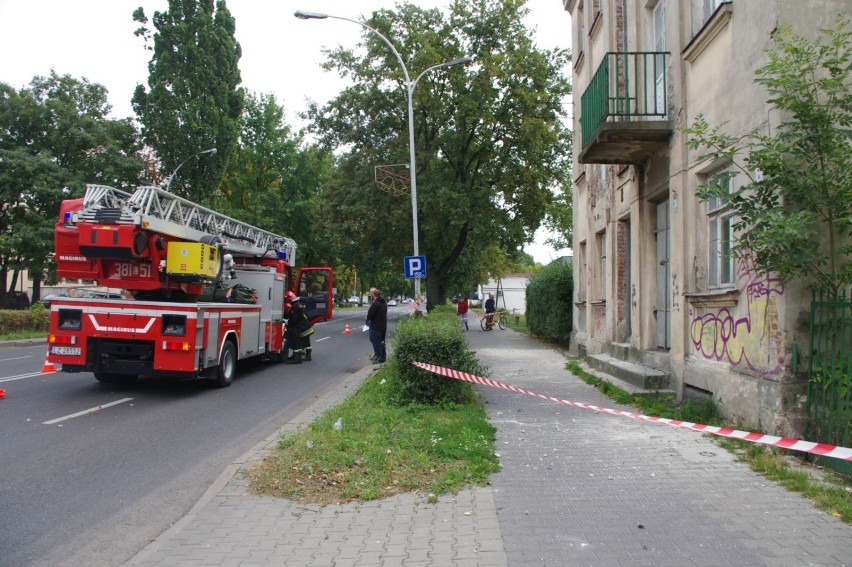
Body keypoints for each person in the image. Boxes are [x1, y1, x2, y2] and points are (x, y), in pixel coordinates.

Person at [284, 291, 311, 364]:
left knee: (295, 343)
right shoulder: (299, 304)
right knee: (304, 343)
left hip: (298, 328)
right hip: (305, 326)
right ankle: (299, 358)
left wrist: (289, 325)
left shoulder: (295, 306)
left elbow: (295, 318)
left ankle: (296, 358)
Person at [365, 287, 387, 363]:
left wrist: (368, 318)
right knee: (381, 342)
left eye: (371, 293)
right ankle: (382, 356)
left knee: (375, 341)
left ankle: (379, 357)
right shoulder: (383, 302)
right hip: (383, 326)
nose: (371, 294)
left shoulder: (376, 303)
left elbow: (370, 315)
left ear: (374, 294)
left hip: (375, 326)